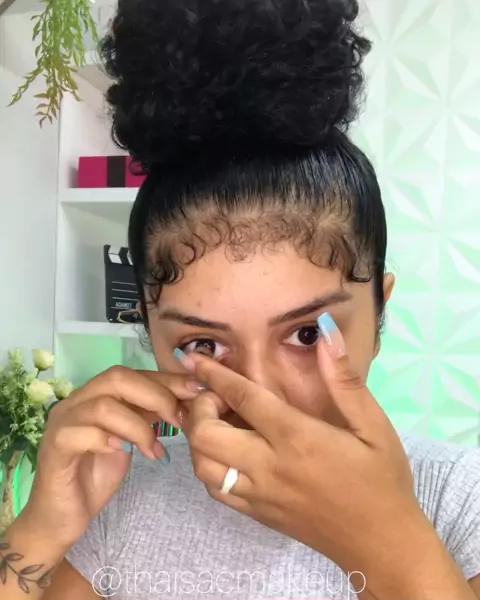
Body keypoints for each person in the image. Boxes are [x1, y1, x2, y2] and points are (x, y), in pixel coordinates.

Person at [1, 0, 480, 598]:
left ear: (379, 313)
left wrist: (387, 542)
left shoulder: (460, 500)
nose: (259, 393)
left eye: (307, 333)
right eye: (204, 344)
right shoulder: (121, 493)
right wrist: (42, 528)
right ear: (149, 334)